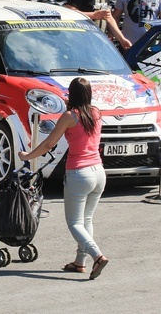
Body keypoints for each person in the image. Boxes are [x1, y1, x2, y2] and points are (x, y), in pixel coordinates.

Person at [18, 77, 109, 280]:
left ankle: (97, 256)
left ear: (72, 93)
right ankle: (80, 262)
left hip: (79, 173)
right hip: (98, 171)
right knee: (87, 219)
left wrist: (27, 156)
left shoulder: (69, 116)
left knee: (74, 222)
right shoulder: (96, 112)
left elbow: (49, 144)